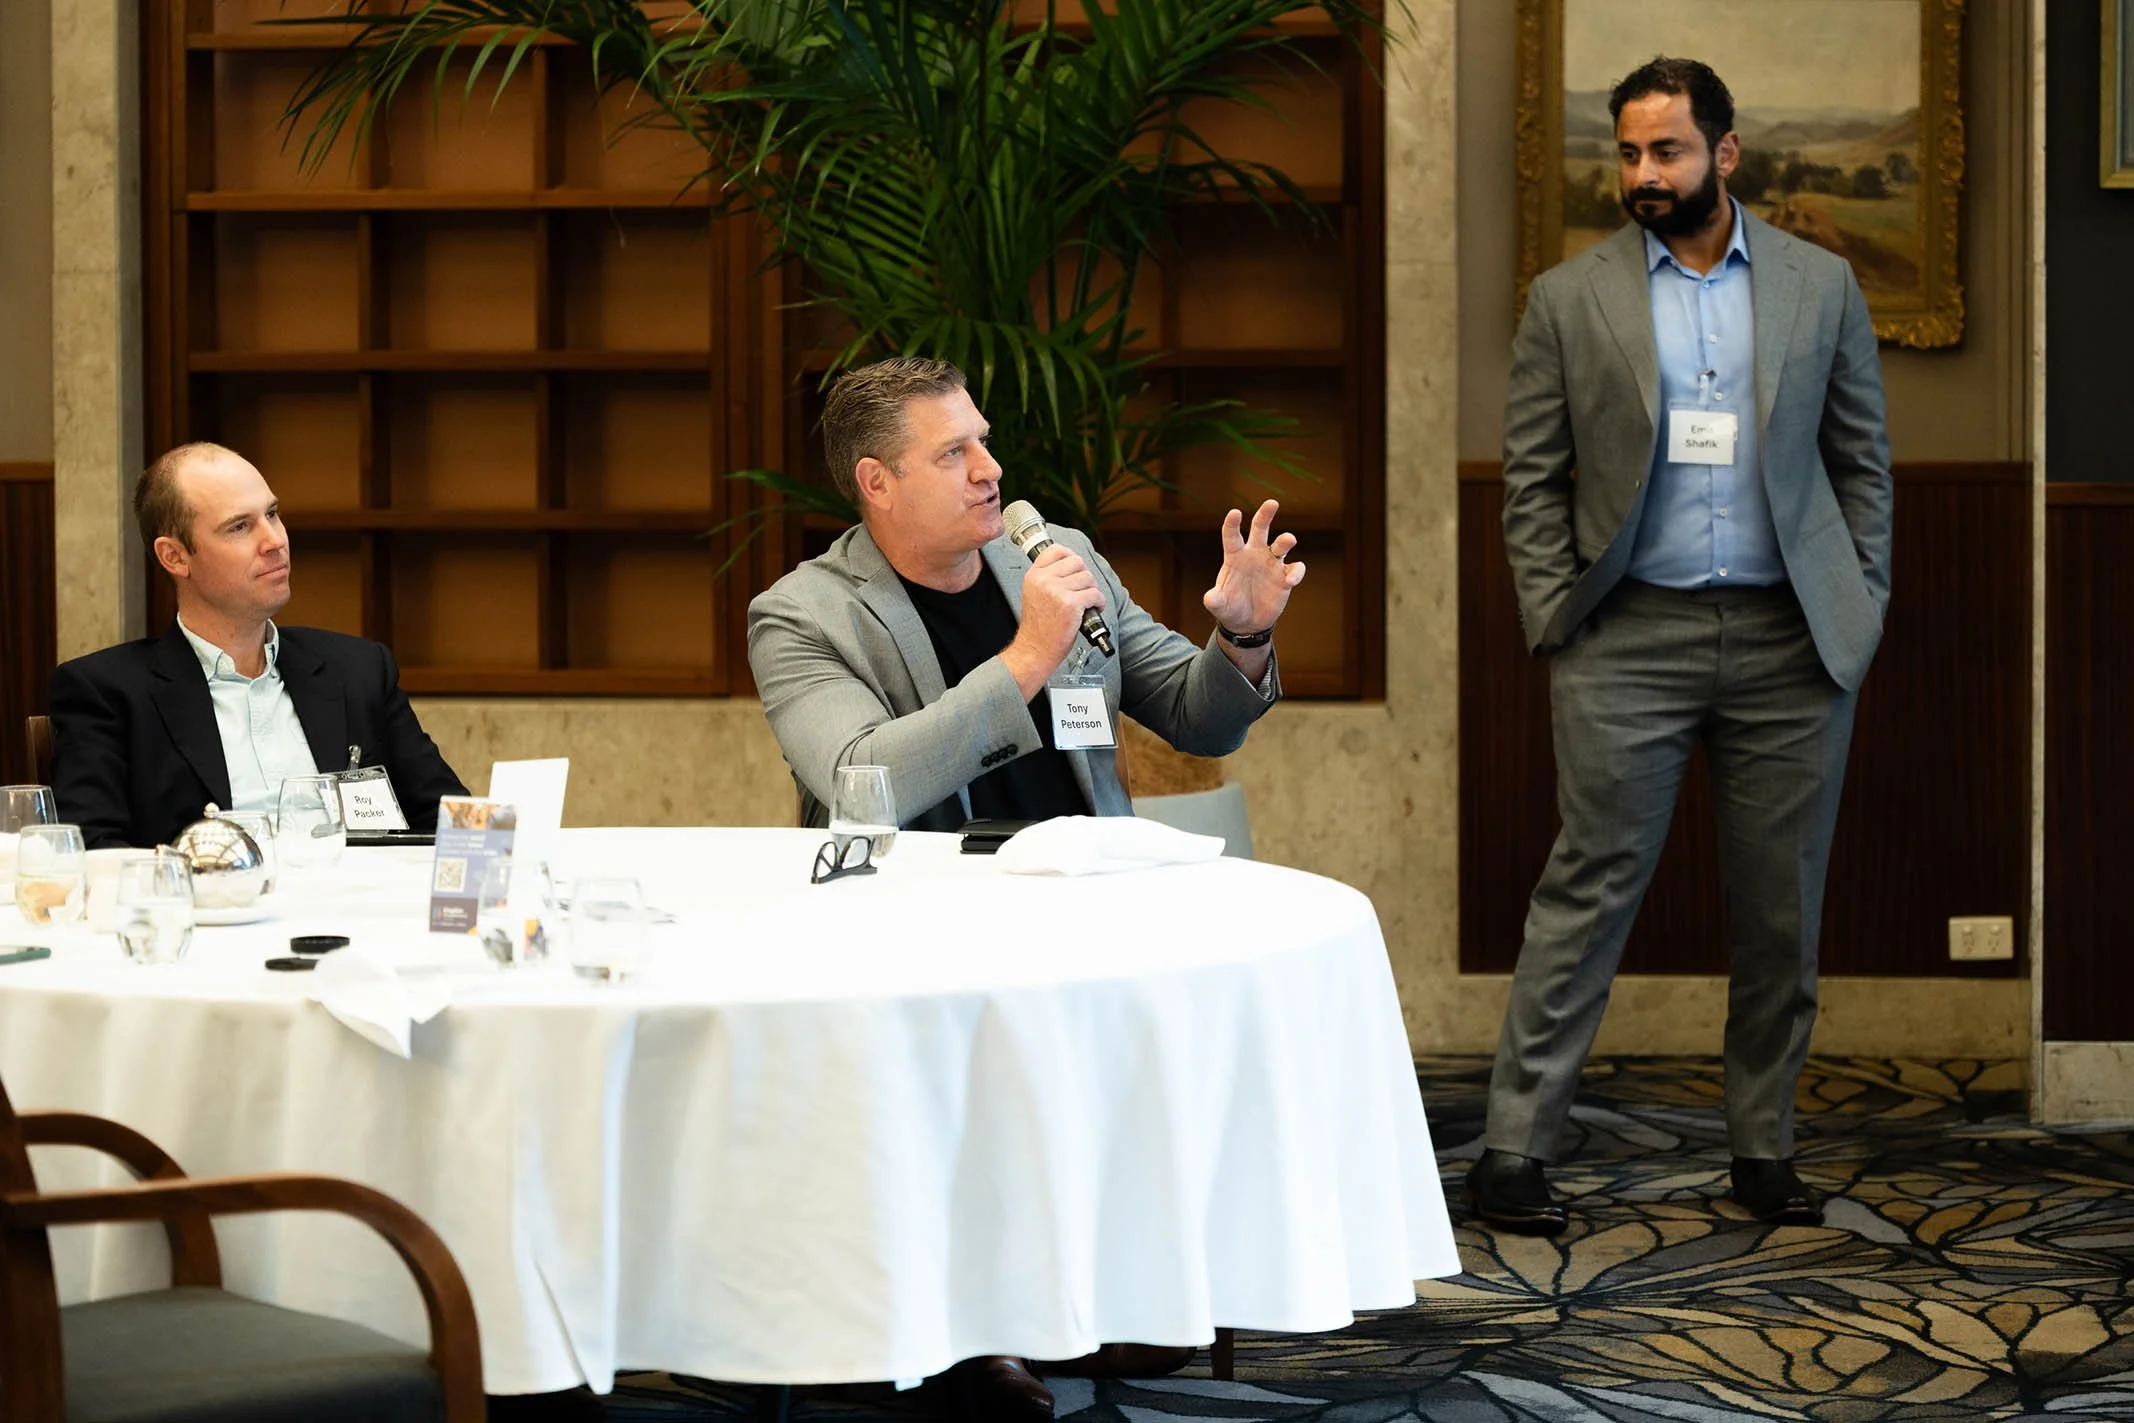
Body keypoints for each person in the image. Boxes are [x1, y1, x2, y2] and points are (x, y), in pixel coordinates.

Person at [746, 356, 1305, 1420]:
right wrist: (1024, 659)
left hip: (1080, 905)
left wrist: (1240, 631)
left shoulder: (1054, 557)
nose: (987, 469)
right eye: (951, 452)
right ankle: (973, 1335)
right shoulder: (804, 615)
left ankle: (1081, 1292)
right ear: (876, 483)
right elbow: (860, 779)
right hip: (914, 928)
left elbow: (1196, 715)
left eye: (983, 441)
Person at [1470, 56, 1892, 1235]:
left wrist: (1858, 604)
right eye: (1628, 153)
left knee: (1778, 913)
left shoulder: (1821, 285)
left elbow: (1862, 464)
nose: (1643, 175)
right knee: (1585, 891)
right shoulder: (1569, 296)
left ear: (1725, 153)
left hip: (1789, 641)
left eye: (1666, 151)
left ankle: (1762, 1148)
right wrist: (1557, 614)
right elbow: (1531, 482)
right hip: (1626, 639)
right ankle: (1513, 1148)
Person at [50, 442, 466, 850]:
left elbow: (452, 822)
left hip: (355, 911)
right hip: (216, 911)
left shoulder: (358, 670)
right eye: (239, 527)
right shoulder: (107, 693)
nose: (275, 541)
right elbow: (91, 851)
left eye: (272, 514)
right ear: (175, 557)